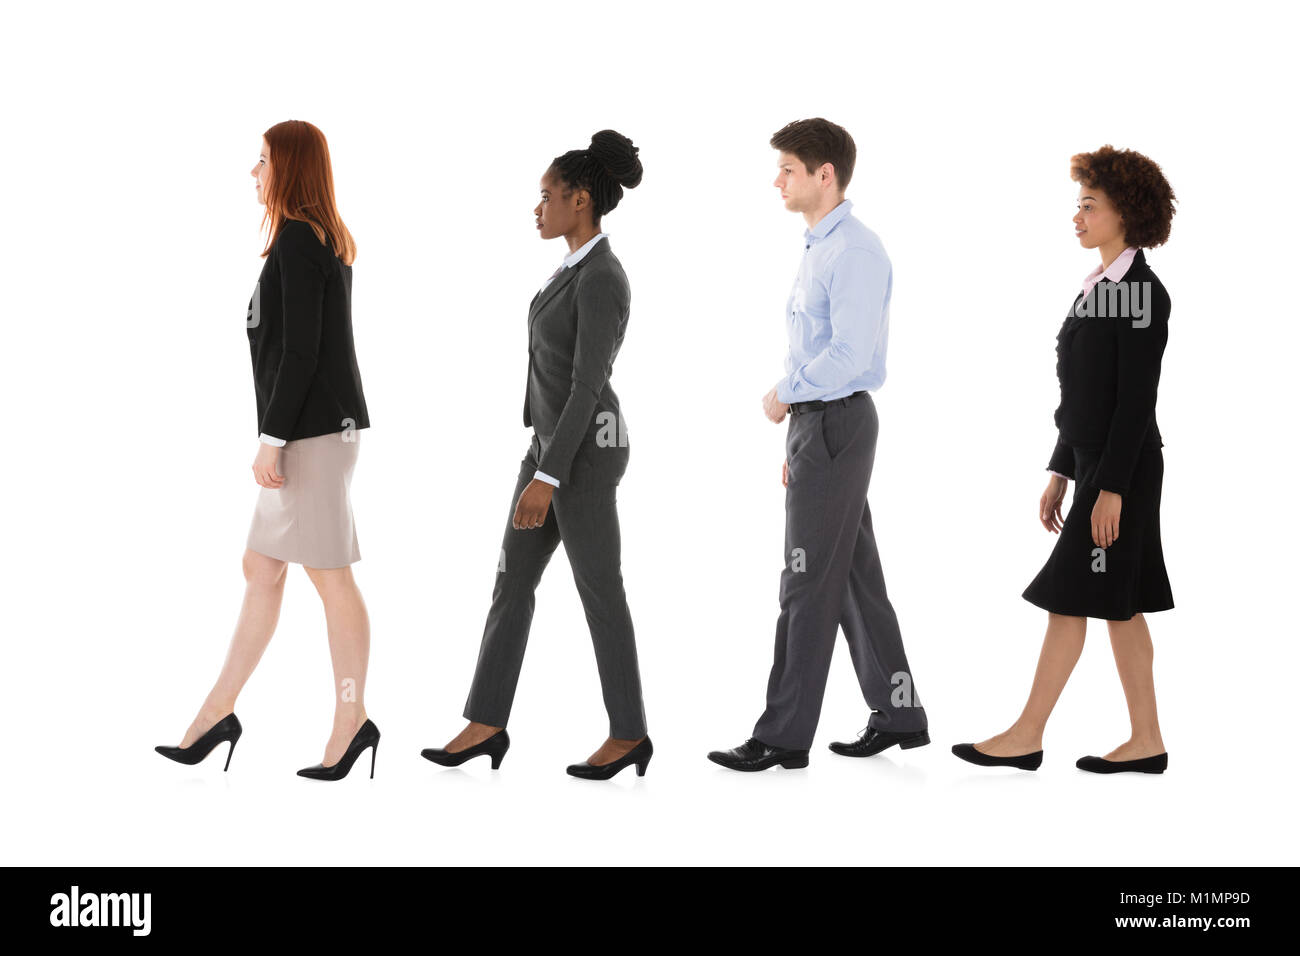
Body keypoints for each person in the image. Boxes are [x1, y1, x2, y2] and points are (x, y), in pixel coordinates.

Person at [420, 130, 652, 780]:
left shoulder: (604, 276)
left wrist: (549, 475)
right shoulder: (573, 269)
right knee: (511, 580)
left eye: (547, 195)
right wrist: (541, 459)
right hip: (548, 446)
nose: (537, 206)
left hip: (582, 453)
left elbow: (585, 384)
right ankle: (487, 722)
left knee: (600, 590)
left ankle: (630, 733)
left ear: (580, 200)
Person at [155, 120, 378, 781]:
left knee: (330, 577)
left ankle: (352, 720)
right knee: (261, 566)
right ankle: (217, 712)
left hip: (311, 433)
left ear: (290, 170)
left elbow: (303, 352)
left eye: (262, 161)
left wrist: (272, 439)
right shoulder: (308, 241)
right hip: (317, 430)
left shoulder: (299, 243)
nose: (253, 172)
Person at [709, 118, 929, 773]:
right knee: (854, 578)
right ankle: (900, 712)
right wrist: (801, 434)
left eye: (788, 169)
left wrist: (785, 394)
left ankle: (782, 736)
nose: (777, 180)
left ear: (823, 174)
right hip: (822, 429)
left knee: (804, 582)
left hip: (834, 420)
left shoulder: (853, 251)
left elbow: (848, 355)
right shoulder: (820, 247)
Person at [952, 145, 1176, 774]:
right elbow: (1082, 396)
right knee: (1119, 605)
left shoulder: (1140, 294)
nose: (1076, 216)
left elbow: (1135, 404)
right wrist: (1061, 469)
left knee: (1072, 596)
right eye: (1076, 204)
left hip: (1122, 472)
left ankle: (1027, 735)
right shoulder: (1097, 288)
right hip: (1095, 464)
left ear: (1124, 213)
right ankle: (1147, 741)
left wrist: (1109, 490)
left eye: (1089, 205)